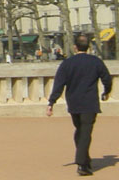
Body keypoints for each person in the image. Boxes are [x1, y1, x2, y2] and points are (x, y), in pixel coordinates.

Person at [46, 34, 112, 177]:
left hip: (74, 102)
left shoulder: (67, 63)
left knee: (80, 130)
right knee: (85, 132)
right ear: (88, 47)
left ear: (75, 47)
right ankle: (82, 164)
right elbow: (107, 78)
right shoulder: (95, 62)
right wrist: (106, 92)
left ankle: (84, 159)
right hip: (89, 101)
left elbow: (59, 84)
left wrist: (51, 102)